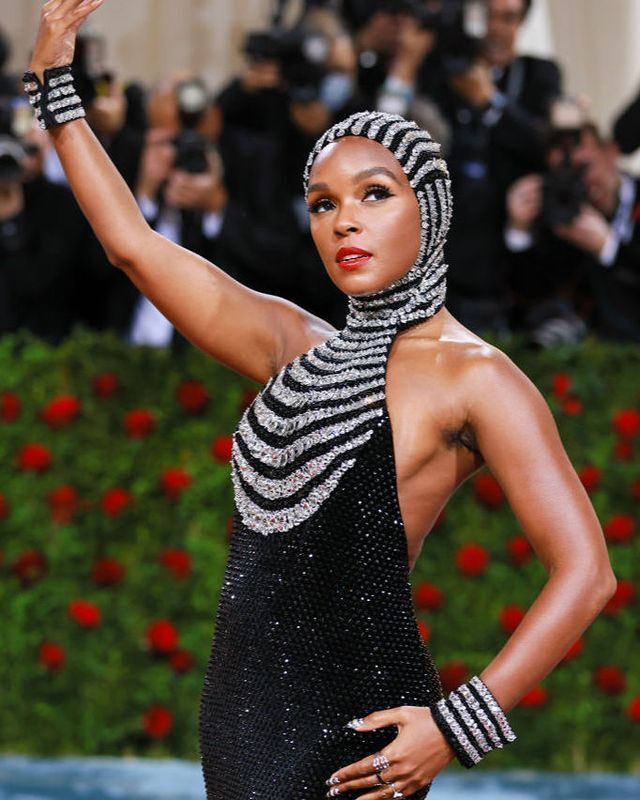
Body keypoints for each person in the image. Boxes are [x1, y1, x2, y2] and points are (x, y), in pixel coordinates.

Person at [25, 2, 617, 798]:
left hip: (357, 737)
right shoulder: (294, 344)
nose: (345, 222)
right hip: (239, 728)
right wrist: (54, 90)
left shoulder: (477, 376)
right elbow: (133, 246)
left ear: (431, 207)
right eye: (323, 204)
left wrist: (454, 726)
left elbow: (586, 572)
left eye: (375, 194)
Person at [505, 121, 640, 343]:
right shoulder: (559, 217)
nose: (582, 184)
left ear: (611, 152)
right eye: (566, 175)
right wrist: (519, 231)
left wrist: (610, 249)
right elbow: (529, 296)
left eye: (584, 168)